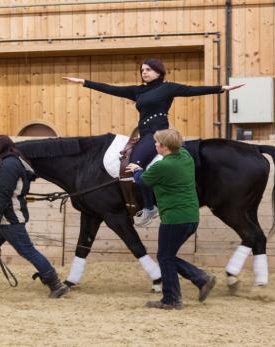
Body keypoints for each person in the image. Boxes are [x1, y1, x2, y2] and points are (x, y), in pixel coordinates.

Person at [64, 58, 243, 226]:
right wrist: (85, 82)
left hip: (158, 134)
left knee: (134, 164)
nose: (144, 72)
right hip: (145, 135)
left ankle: (150, 207)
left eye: (148, 69)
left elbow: (193, 90)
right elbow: (112, 89)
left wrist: (222, 88)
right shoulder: (138, 91)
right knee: (131, 164)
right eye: (142, 70)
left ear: (159, 71)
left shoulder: (168, 88)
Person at [0, 135, 69, 299]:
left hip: (8, 219)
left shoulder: (8, 165)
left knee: (27, 251)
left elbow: (3, 196)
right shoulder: (5, 163)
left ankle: (56, 284)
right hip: (0, 219)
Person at [126, 129, 215, 310]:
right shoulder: (185, 157)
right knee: (167, 256)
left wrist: (136, 169)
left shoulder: (163, 167)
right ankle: (199, 280)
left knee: (165, 257)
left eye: (157, 143)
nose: (155, 145)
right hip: (190, 217)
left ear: (165, 147)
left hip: (175, 219)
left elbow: (142, 180)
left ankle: (173, 298)